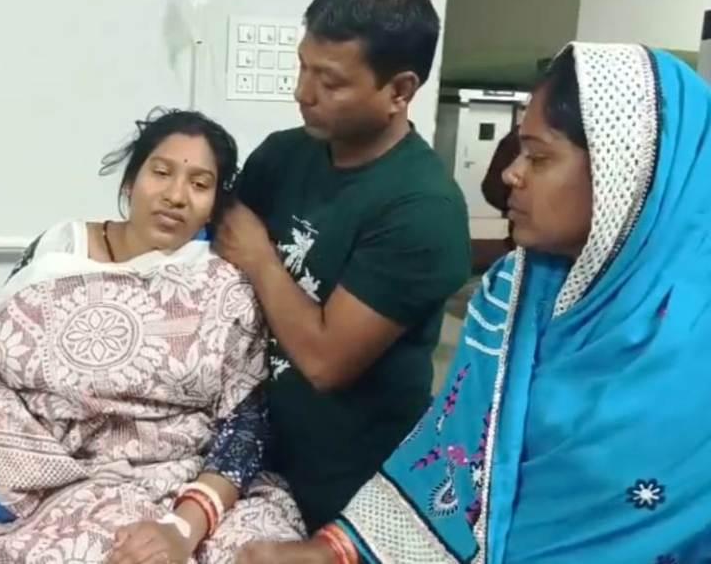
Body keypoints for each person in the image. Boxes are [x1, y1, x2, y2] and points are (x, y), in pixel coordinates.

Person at [238, 42, 711, 563]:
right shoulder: (516, 291)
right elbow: (452, 454)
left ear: (623, 171)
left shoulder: (695, 343)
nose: (511, 174)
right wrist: (335, 551)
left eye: (539, 157)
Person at [0, 109, 304, 564]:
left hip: (196, 484)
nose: (175, 196)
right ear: (130, 182)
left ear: (215, 203)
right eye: (161, 172)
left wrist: (183, 526)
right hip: (69, 482)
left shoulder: (224, 284)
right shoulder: (58, 253)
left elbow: (244, 425)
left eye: (199, 183)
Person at [214, 0, 471, 531]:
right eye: (303, 67)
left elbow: (326, 361)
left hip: (349, 485)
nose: (302, 92)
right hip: (247, 455)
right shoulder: (281, 155)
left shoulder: (423, 208)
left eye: (330, 82)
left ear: (399, 90)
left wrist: (262, 258)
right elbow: (215, 267)